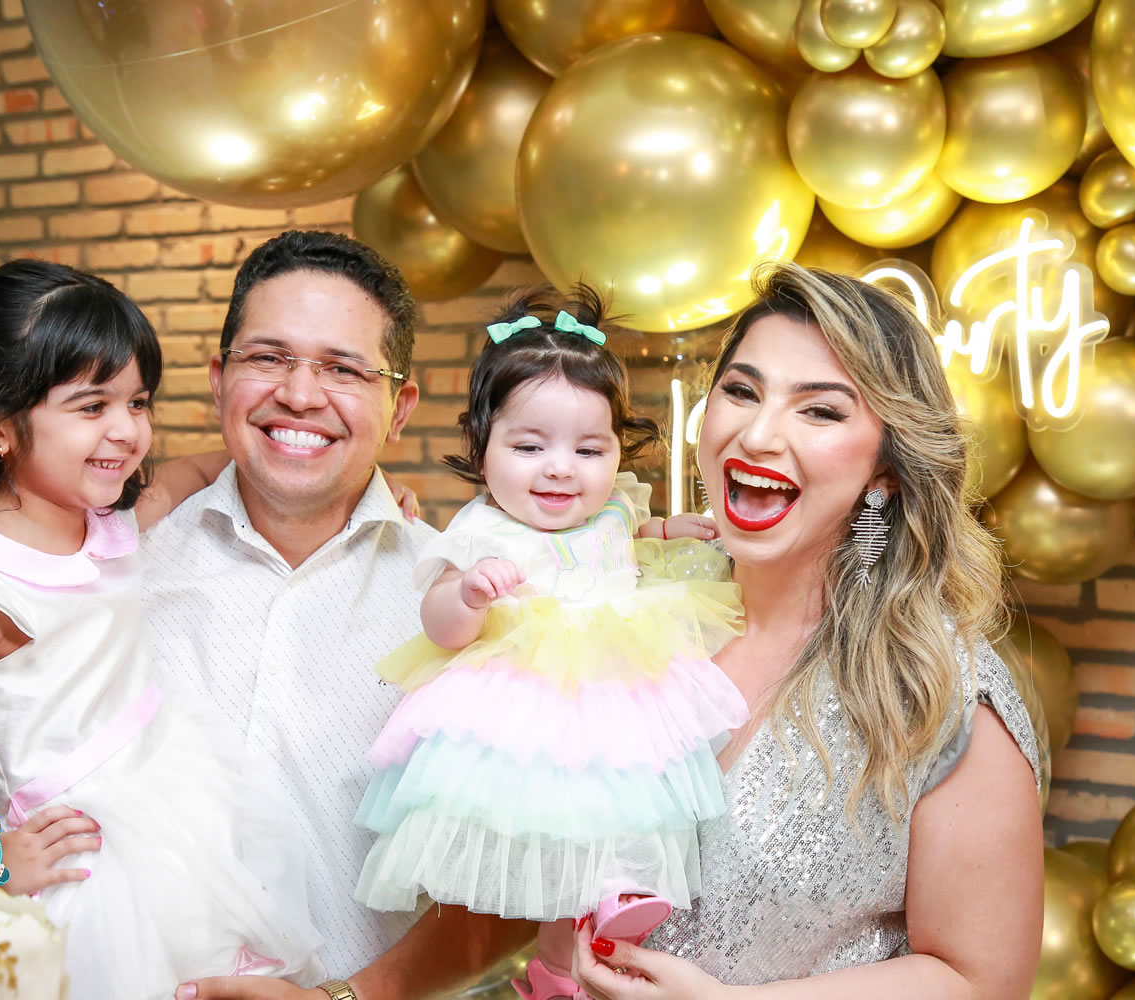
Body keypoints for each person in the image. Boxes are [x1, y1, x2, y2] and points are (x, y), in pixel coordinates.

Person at [0, 260, 323, 1000]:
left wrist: (329, 477)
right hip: (84, 875)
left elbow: (188, 473)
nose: (127, 431)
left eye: (137, 402)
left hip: (168, 818)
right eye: (91, 406)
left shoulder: (102, 523)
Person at [565, 262, 1045, 999]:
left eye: (820, 411)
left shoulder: (941, 689)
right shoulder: (631, 610)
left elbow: (982, 979)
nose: (758, 434)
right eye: (741, 391)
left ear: (886, 471)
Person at [139, 231, 535, 1000]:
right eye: (268, 357)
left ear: (400, 408)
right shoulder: (120, 563)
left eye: (344, 369)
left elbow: (520, 878)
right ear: (219, 382)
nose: (299, 393)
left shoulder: (471, 608)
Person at [351, 285, 751, 1000]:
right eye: (530, 446)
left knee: (629, 797)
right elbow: (438, 621)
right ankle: (555, 969)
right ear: (482, 447)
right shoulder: (484, 529)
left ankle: (613, 908)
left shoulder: (612, 505)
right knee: (557, 826)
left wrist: (665, 531)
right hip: (531, 701)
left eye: (588, 449)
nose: (561, 467)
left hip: (618, 685)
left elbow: (624, 539)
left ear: (616, 450)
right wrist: (469, 594)